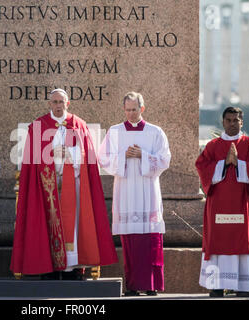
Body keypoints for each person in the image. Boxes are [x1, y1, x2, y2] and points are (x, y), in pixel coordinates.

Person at [10, 88, 118, 280]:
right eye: (54, 102)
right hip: (46, 187)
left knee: (74, 224)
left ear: (67, 103)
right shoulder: (39, 126)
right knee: (46, 223)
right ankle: (49, 267)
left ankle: (73, 267)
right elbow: (33, 160)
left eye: (61, 102)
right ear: (49, 104)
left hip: (73, 184)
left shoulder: (78, 125)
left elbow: (86, 157)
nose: (58, 105)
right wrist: (51, 156)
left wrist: (70, 157)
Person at [98, 92, 171, 296]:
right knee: (130, 240)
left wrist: (143, 155)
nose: (131, 113)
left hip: (148, 191)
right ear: (124, 109)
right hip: (126, 191)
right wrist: (123, 156)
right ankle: (133, 284)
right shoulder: (114, 132)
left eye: (134, 109)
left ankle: (152, 285)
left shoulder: (155, 132)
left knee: (151, 238)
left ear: (142, 109)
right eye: (128, 109)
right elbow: (103, 159)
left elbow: (165, 160)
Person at [195, 106, 249, 297]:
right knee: (219, 241)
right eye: (228, 120)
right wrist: (224, 163)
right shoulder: (213, 146)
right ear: (222, 122)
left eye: (236, 120)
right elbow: (201, 166)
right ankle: (217, 285)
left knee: (242, 241)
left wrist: (239, 163)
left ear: (242, 122)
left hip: (243, 205)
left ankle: (243, 286)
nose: (232, 124)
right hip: (219, 204)